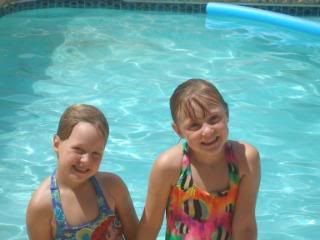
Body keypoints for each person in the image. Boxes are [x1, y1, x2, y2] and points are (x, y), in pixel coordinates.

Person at [137, 79, 260, 240]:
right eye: (194, 125)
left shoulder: (245, 159)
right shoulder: (169, 166)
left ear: (227, 114)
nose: (207, 131)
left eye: (214, 119)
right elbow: (150, 226)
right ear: (178, 130)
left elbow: (245, 226)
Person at [26, 104, 138, 240]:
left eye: (96, 153)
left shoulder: (113, 187)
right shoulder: (42, 205)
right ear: (57, 144)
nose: (86, 160)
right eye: (79, 150)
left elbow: (137, 236)